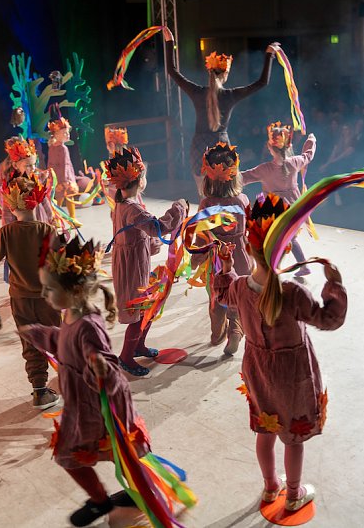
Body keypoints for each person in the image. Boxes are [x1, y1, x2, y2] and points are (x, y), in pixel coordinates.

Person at [213, 193, 347, 513]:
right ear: (286, 248)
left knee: (265, 428)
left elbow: (220, 294)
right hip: (294, 377)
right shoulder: (293, 293)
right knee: (292, 437)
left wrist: (228, 267)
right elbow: (329, 319)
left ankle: (271, 487)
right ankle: (294, 492)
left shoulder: (240, 287)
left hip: (258, 371)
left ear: (249, 246)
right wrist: (335, 287)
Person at [18, 236, 150, 526]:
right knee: (79, 454)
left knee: (116, 452)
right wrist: (41, 334)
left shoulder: (88, 325)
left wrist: (99, 368)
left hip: (100, 405)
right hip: (81, 403)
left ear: (74, 290)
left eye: (49, 289)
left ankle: (139, 494)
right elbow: (63, 342)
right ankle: (102, 500)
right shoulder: (69, 314)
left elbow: (108, 368)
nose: (43, 294)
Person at [0, 176, 61, 409]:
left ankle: (40, 391)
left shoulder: (7, 232)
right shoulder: (47, 230)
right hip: (47, 298)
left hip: (20, 299)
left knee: (30, 343)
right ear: (37, 201)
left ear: (9, 204)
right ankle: (73, 382)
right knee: (57, 339)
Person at [162, 26, 279, 195]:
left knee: (203, 195)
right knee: (226, 193)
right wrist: (269, 54)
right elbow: (262, 82)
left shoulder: (197, 92)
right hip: (221, 147)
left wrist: (169, 42)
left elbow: (172, 71)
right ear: (225, 75)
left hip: (199, 147)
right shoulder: (230, 95)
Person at [106, 148, 188, 376]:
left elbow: (136, 234)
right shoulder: (131, 208)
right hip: (131, 270)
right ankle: (125, 357)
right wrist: (178, 208)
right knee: (138, 311)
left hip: (134, 264)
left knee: (148, 306)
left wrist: (150, 246)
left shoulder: (125, 204)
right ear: (139, 180)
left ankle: (138, 346)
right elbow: (158, 227)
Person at [192, 142, 251, 354]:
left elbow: (200, 235)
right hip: (240, 256)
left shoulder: (206, 204)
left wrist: (196, 257)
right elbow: (250, 229)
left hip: (217, 258)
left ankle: (217, 333)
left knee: (217, 297)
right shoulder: (242, 200)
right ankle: (235, 330)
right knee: (236, 295)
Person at [241, 123, 316, 278]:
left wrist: (226, 175)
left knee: (272, 238)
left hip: (273, 210)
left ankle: (272, 267)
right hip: (292, 207)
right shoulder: (294, 162)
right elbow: (308, 155)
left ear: (270, 148)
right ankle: (300, 265)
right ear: (288, 146)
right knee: (289, 237)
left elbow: (244, 177)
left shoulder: (265, 169)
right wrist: (311, 141)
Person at [47, 105, 79, 220]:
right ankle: (71, 218)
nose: (67, 135)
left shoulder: (52, 146)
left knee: (59, 198)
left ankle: (56, 218)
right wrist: (66, 180)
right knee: (68, 197)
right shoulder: (62, 148)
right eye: (65, 133)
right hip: (64, 178)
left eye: (67, 132)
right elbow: (65, 164)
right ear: (56, 134)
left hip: (57, 177)